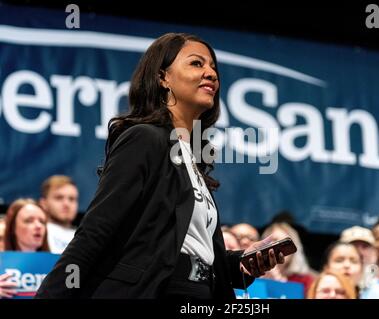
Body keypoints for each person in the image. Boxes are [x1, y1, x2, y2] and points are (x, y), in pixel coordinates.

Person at [35, 33, 284, 299]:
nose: (211, 73)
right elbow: (97, 231)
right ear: (163, 77)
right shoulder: (144, 138)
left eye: (213, 67)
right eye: (197, 64)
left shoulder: (192, 159)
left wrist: (239, 264)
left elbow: (187, 249)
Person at [0, 198, 49, 298]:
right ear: (13, 228)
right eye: (29, 221)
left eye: (42, 221)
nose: (38, 226)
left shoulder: (57, 264)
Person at [340, 226, 379, 299]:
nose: (360, 252)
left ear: (375, 253)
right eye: (353, 246)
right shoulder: (329, 291)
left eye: (365, 247)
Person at [261, 222, 316, 295]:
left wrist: (281, 284)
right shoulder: (251, 278)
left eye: (285, 243)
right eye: (275, 240)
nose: (280, 247)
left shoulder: (306, 281)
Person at [39, 175, 78, 254]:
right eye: (59, 198)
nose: (66, 204)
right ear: (44, 203)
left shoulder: (86, 236)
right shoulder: (37, 231)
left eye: (72, 199)